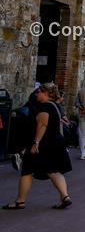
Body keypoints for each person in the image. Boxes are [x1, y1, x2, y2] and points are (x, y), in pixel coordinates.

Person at [3, 82, 73, 211]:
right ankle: (65, 197)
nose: (37, 94)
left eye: (39, 92)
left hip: (43, 144)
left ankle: (20, 201)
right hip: (55, 142)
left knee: (27, 170)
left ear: (45, 93)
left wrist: (36, 143)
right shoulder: (55, 106)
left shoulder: (45, 106)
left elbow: (43, 124)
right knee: (53, 170)